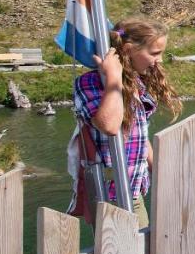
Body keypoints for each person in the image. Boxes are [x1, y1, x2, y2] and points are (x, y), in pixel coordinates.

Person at [70, 17, 181, 227]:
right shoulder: (91, 82)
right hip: (108, 195)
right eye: (155, 53)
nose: (160, 60)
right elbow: (109, 126)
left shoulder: (137, 83)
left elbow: (140, 134)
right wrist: (114, 77)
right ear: (129, 50)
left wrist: (160, 169)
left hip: (134, 191)